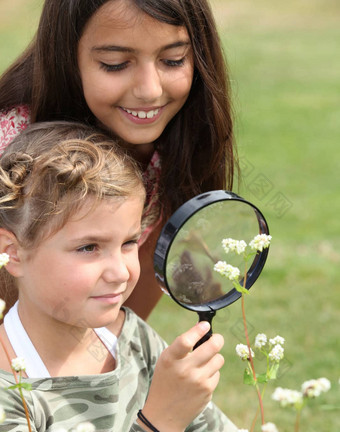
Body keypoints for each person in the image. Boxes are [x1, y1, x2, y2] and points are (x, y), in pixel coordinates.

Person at [0, 122, 307, 432]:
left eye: (129, 242)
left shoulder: (129, 338)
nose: (121, 271)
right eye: (89, 247)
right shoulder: (10, 396)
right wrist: (161, 422)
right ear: (11, 252)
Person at [0, 0, 237, 320]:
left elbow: (123, 324)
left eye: (173, 60)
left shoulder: (175, 140)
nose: (150, 91)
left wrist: (130, 362)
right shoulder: (12, 148)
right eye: (114, 64)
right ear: (66, 58)